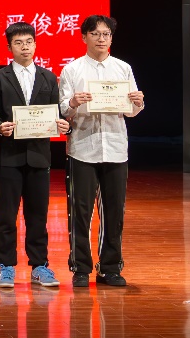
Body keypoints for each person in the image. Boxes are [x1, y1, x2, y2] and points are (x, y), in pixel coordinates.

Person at [58, 14, 145, 288]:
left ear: (111, 38)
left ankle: (110, 267)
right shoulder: (72, 70)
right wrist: (73, 102)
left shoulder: (123, 68)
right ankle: (80, 268)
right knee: (80, 212)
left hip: (116, 148)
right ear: (84, 37)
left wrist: (138, 102)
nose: (101, 39)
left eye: (106, 34)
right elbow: (62, 110)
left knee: (114, 212)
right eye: (95, 34)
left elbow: (131, 111)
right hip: (82, 148)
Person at [0, 21, 71, 289]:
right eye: (18, 43)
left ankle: (40, 265)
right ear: (9, 47)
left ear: (35, 45)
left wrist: (62, 124)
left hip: (39, 155)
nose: (24, 47)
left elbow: (56, 112)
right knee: (6, 214)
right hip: (9, 155)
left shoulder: (48, 77)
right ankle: (6, 266)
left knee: (38, 215)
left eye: (28, 42)